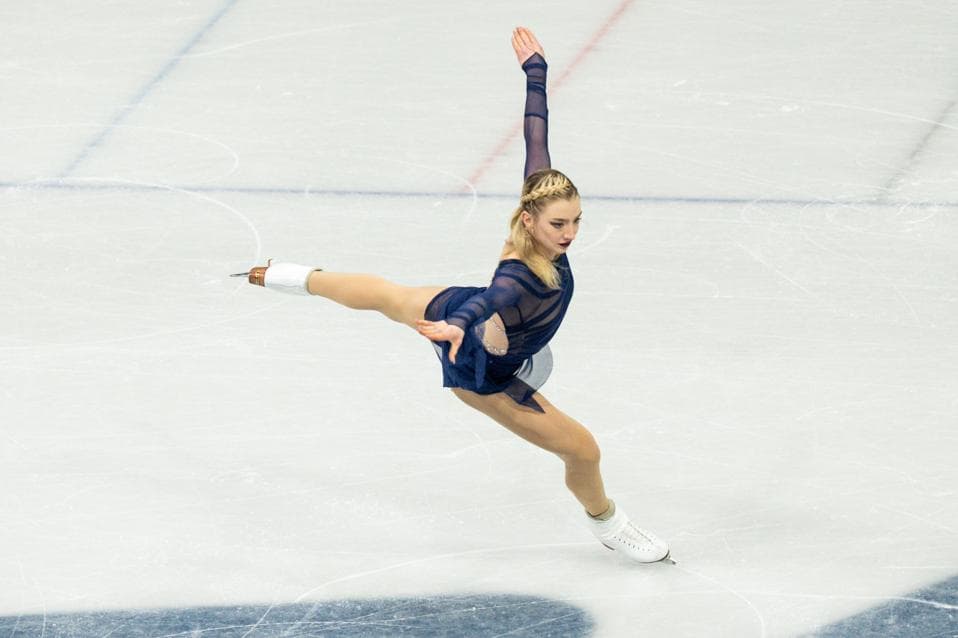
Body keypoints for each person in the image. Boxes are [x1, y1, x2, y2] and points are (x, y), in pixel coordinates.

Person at [234, 27, 672, 564]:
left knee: (387, 296)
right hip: (482, 370)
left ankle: (290, 275)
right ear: (532, 221)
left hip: (470, 319)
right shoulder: (520, 277)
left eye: (577, 220)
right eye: (560, 223)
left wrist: (535, 73)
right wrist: (458, 327)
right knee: (582, 450)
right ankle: (609, 523)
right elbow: (487, 300)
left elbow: (538, 137)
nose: (571, 233)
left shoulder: (537, 205)